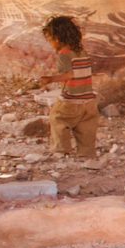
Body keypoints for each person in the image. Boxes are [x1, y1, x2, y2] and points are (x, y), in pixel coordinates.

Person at [39, 16, 99, 158]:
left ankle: (61, 149)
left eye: (50, 40)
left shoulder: (64, 55)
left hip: (71, 99)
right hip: (89, 100)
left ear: (57, 39)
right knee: (86, 127)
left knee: (57, 118)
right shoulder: (81, 52)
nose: (50, 43)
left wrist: (50, 79)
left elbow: (69, 75)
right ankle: (87, 153)